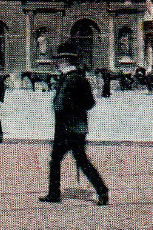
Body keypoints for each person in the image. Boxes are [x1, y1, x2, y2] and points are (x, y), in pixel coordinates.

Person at [40, 47, 109, 206]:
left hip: (66, 128)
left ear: (64, 61)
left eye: (57, 61)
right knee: (81, 160)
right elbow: (90, 103)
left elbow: (58, 104)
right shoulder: (81, 78)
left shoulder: (68, 79)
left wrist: (68, 109)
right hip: (78, 128)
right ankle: (102, 191)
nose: (55, 63)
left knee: (57, 159)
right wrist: (78, 109)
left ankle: (54, 193)